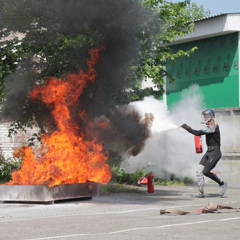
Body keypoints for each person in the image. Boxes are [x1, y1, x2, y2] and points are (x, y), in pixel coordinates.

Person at [181, 109, 227, 198]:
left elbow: (197, 133)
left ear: (212, 117)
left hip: (215, 152)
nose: (205, 118)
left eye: (207, 116)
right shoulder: (209, 125)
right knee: (199, 171)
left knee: (206, 171)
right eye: (204, 116)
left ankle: (222, 183)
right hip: (208, 152)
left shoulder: (213, 126)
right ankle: (201, 193)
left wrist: (187, 127)